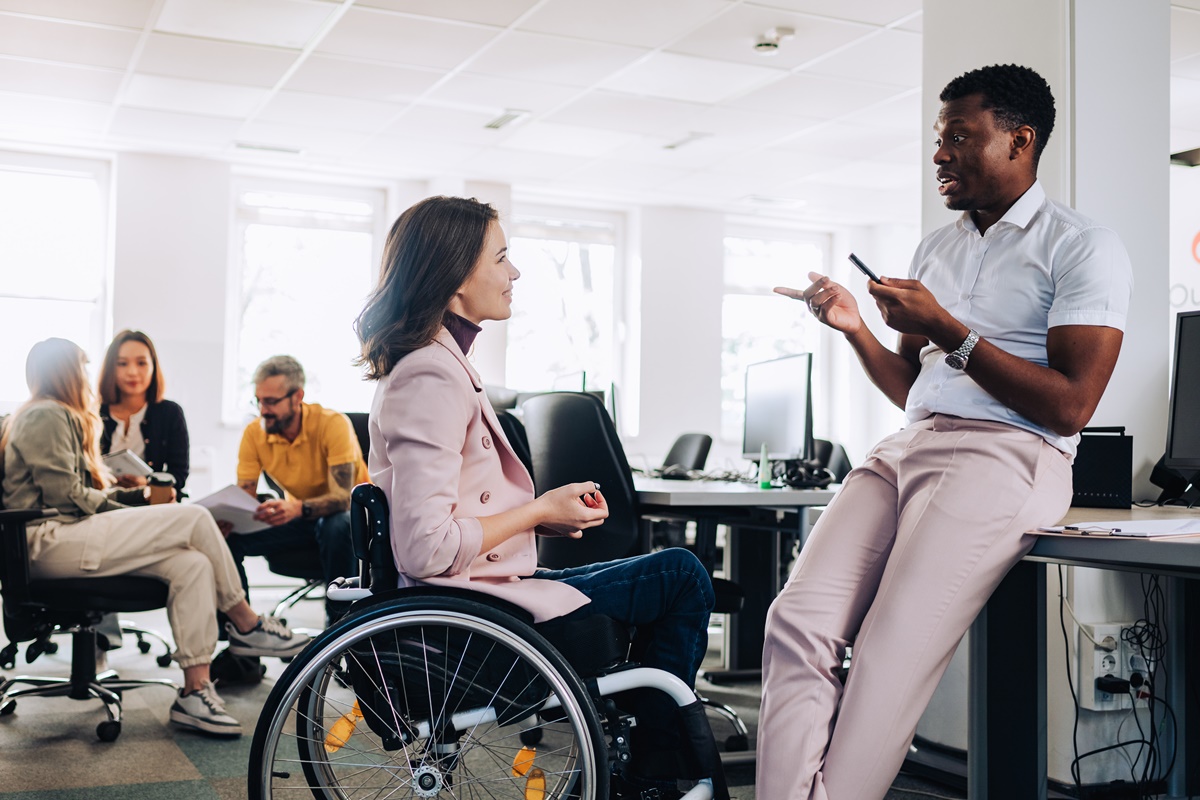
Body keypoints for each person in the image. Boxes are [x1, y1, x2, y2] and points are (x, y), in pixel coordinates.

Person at [756, 64, 1133, 799]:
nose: (940, 155)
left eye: (960, 137)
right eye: (937, 139)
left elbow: (1070, 407)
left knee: (888, 657)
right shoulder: (938, 247)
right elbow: (914, 387)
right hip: (911, 447)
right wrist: (856, 329)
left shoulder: (1082, 245)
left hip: (1009, 455)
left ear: (1019, 141)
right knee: (795, 621)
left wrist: (947, 329)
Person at [354, 195, 719, 800]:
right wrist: (538, 509)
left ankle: (645, 754)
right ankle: (653, 775)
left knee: (671, 574)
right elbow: (425, 548)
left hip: (475, 594)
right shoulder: (433, 372)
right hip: (468, 614)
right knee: (680, 574)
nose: (514, 272)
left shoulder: (437, 363)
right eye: (501, 258)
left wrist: (539, 523)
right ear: (453, 282)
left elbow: (446, 516)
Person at [0, 338, 312, 738]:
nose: (87, 375)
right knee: (194, 519)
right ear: (65, 371)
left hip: (67, 536)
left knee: (191, 563)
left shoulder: (54, 414)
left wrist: (136, 500)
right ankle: (247, 624)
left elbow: (75, 493)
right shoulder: (46, 414)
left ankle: (195, 692)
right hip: (47, 543)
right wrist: (138, 512)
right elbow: (68, 498)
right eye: (82, 366)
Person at [226, 355, 368, 628]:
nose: (263, 410)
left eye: (271, 401)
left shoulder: (332, 424)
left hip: (352, 520)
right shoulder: (255, 433)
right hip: (301, 519)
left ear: (297, 396)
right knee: (227, 537)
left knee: (336, 523)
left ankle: (340, 627)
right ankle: (243, 631)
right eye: (259, 401)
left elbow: (343, 499)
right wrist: (233, 516)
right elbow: (245, 495)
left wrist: (297, 508)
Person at [98, 329, 190, 494]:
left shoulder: (170, 412)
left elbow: (179, 475)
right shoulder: (93, 413)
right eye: (122, 363)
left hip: (150, 502)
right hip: (103, 503)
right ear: (111, 368)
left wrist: (146, 482)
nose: (132, 372)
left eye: (141, 363)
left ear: (153, 366)